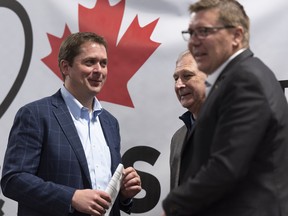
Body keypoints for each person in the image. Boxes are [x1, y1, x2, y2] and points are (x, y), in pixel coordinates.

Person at [162, 0, 288, 215]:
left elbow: (227, 166)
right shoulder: (238, 77)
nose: (193, 41)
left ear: (237, 36)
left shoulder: (246, 80)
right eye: (190, 33)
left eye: (203, 31)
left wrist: (175, 204)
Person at [1, 32, 141, 216]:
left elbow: (106, 192)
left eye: (103, 63)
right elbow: (13, 180)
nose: (99, 70)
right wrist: (70, 197)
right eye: (90, 62)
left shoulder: (110, 123)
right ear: (66, 67)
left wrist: (123, 194)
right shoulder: (35, 114)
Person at [170, 50, 206, 191]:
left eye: (187, 76)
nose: (178, 85)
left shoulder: (238, 129)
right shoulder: (178, 139)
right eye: (175, 78)